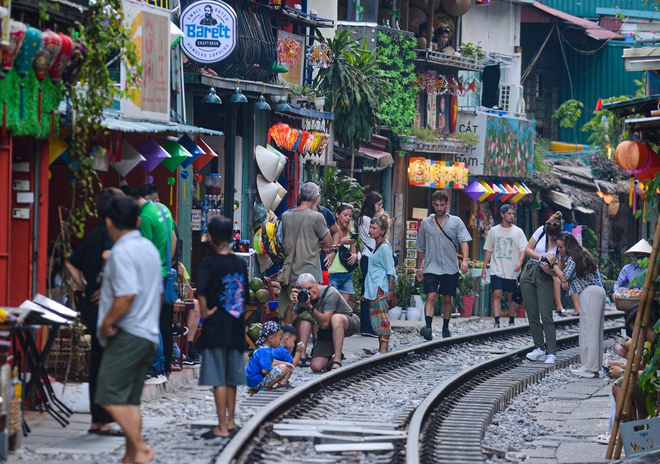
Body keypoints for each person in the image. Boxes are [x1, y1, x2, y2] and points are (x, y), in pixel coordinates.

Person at [95, 196, 161, 464]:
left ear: (109, 221)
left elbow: (126, 295)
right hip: (148, 333)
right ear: (136, 221)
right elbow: (155, 295)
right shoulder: (149, 249)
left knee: (107, 395)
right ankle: (131, 456)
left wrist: (106, 322)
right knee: (130, 401)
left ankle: (140, 447)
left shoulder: (121, 251)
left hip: (128, 333)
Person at [65, 187, 123, 436]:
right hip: (107, 308)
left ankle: (96, 420)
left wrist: (84, 285)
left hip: (91, 306)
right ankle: (106, 419)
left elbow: (70, 262)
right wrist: (107, 286)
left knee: (97, 363)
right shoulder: (111, 236)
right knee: (109, 364)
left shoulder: (92, 234)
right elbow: (108, 256)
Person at [196, 216, 248, 439]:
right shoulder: (239, 263)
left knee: (218, 377)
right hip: (236, 324)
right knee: (232, 376)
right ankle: (232, 420)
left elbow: (201, 291)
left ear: (211, 237)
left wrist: (206, 312)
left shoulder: (209, 263)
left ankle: (221, 426)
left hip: (216, 327)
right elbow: (242, 294)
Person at [279, 182, 333, 367]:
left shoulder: (285, 216)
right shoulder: (316, 217)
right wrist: (318, 244)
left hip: (289, 272)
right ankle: (301, 355)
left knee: (289, 312)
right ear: (316, 199)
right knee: (306, 314)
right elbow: (328, 242)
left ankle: (287, 351)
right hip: (309, 272)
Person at [545, 233, 605, 378]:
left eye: (561, 247)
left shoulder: (572, 259)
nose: (559, 250)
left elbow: (564, 278)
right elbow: (564, 277)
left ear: (568, 246)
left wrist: (553, 264)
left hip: (590, 293)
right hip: (596, 292)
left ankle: (589, 369)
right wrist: (550, 270)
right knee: (592, 332)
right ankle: (591, 367)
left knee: (588, 331)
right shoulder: (580, 256)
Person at [135, 183, 177, 382]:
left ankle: (155, 368)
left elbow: (145, 251)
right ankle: (166, 367)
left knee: (152, 322)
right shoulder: (164, 210)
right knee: (165, 323)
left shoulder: (145, 216)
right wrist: (167, 263)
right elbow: (174, 238)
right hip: (166, 273)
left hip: (153, 276)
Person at [416, 190, 471, 340]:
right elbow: (421, 247)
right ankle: (428, 327)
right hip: (431, 265)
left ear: (447, 204)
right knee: (431, 296)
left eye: (442, 205)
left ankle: (445, 327)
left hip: (450, 266)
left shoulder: (456, 222)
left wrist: (465, 260)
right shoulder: (426, 223)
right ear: (433, 205)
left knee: (447, 298)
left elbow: (464, 241)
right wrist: (419, 267)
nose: (439, 208)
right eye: (436, 205)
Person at [291, 273, 361, 370]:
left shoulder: (330, 292)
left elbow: (325, 323)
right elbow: (287, 321)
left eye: (310, 288)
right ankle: (332, 356)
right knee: (316, 367)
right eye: (305, 290)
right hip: (327, 331)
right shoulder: (304, 298)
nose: (309, 292)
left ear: (316, 283)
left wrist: (309, 307)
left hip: (349, 321)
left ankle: (337, 359)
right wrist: (291, 303)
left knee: (335, 318)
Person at [521, 211, 563, 365]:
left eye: (554, 236)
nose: (551, 238)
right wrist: (541, 257)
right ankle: (539, 347)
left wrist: (549, 269)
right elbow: (527, 249)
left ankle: (551, 352)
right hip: (530, 269)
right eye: (550, 235)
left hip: (546, 276)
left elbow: (560, 270)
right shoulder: (540, 231)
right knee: (532, 313)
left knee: (546, 314)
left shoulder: (562, 241)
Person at [482, 204, 527, 328]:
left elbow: (524, 249)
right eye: (509, 213)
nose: (511, 216)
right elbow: (488, 249)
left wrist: (520, 262)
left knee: (511, 296)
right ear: (502, 214)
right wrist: (484, 267)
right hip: (497, 268)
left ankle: (511, 320)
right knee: (497, 293)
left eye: (513, 213)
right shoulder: (494, 231)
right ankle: (497, 321)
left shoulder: (518, 232)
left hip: (512, 270)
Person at [364, 215, 397, 355]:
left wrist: (390, 290)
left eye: (374, 228)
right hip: (374, 289)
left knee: (382, 319)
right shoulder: (376, 246)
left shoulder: (384, 248)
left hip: (381, 289)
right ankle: (381, 349)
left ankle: (383, 350)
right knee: (377, 319)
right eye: (370, 227)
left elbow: (391, 270)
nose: (370, 230)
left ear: (382, 231)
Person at [357, 192, 384, 338]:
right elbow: (374, 240)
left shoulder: (368, 219)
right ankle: (367, 326)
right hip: (369, 258)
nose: (380, 207)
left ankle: (370, 325)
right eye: (378, 204)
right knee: (368, 292)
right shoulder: (366, 220)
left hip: (371, 258)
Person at [245, 321, 294, 394]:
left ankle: (263, 386)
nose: (280, 341)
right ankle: (263, 388)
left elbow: (272, 361)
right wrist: (277, 366)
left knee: (284, 366)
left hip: (252, 381)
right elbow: (264, 371)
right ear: (271, 339)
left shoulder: (263, 348)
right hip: (256, 382)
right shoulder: (266, 352)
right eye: (279, 339)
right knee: (283, 369)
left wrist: (285, 363)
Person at [326, 203, 358, 303]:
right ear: (337, 215)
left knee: (344, 307)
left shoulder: (349, 232)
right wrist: (342, 241)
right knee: (331, 305)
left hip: (346, 274)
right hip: (332, 273)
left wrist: (355, 255)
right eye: (345, 215)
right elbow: (327, 249)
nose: (348, 218)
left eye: (350, 216)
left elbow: (352, 253)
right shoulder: (330, 231)